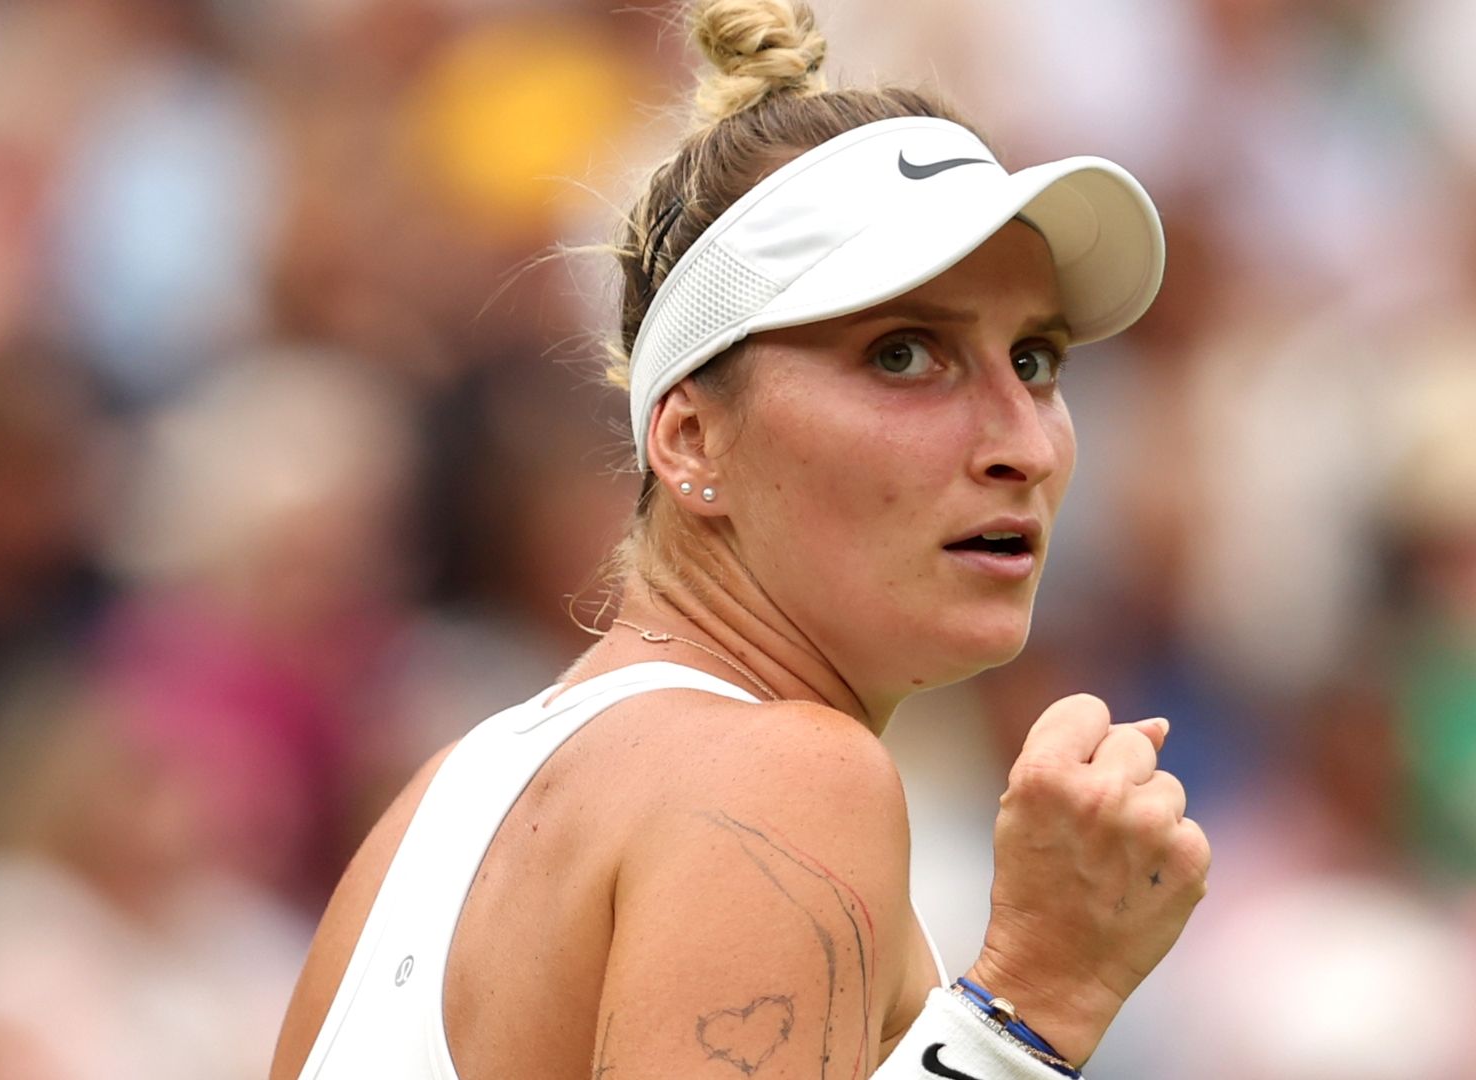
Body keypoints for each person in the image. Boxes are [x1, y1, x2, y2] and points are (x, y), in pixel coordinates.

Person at [270, 1, 1209, 1077]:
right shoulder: (791, 776)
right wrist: (1038, 999)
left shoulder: (435, 805)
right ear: (691, 437)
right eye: (905, 355)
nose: (1024, 445)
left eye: (1036, 360)